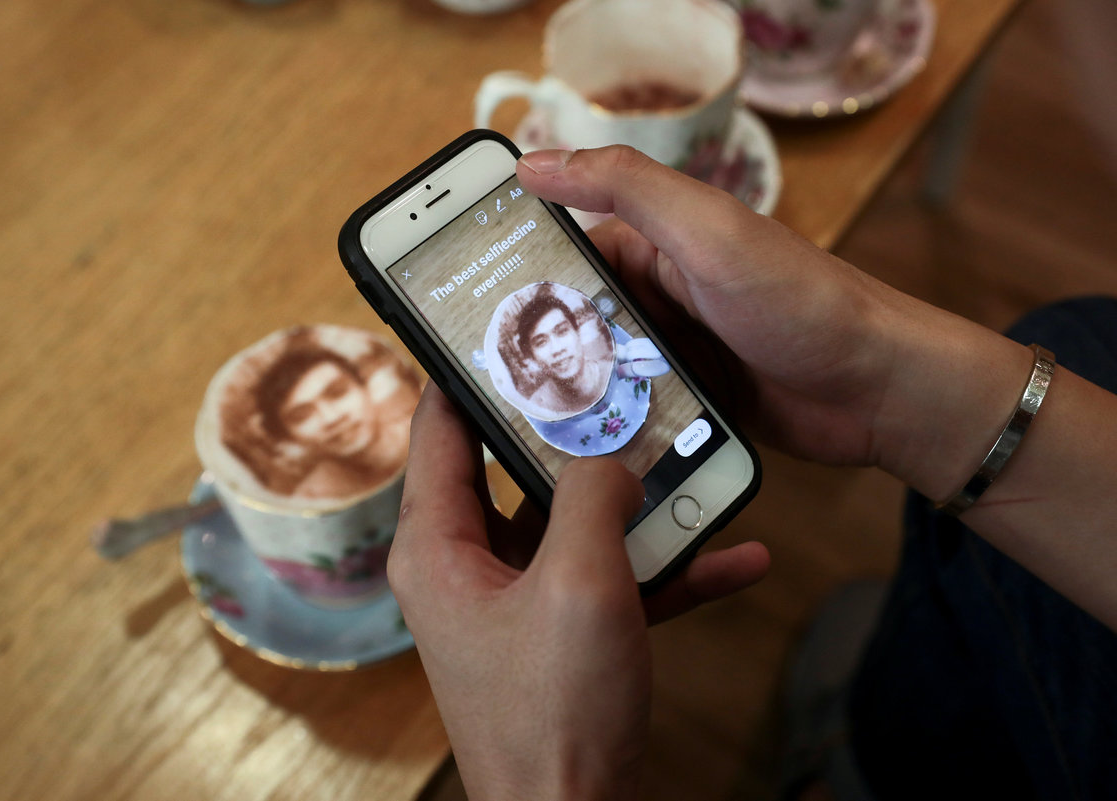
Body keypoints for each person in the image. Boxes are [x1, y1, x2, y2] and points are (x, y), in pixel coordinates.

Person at [387, 145, 1117, 801]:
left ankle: (848, 771)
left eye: (559, 332)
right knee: (1080, 337)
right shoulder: (547, 412)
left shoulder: (621, 361)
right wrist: (887, 386)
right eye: (539, 348)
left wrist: (540, 784)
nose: (555, 352)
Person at [220, 327, 420, 501]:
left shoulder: (424, 429)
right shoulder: (312, 496)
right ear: (288, 436)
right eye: (302, 416)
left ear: (363, 386)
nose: (331, 418)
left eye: (337, 393)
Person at [510, 284, 611, 415]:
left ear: (577, 332)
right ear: (531, 356)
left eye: (562, 331)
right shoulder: (538, 408)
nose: (557, 349)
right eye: (541, 342)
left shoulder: (612, 370)